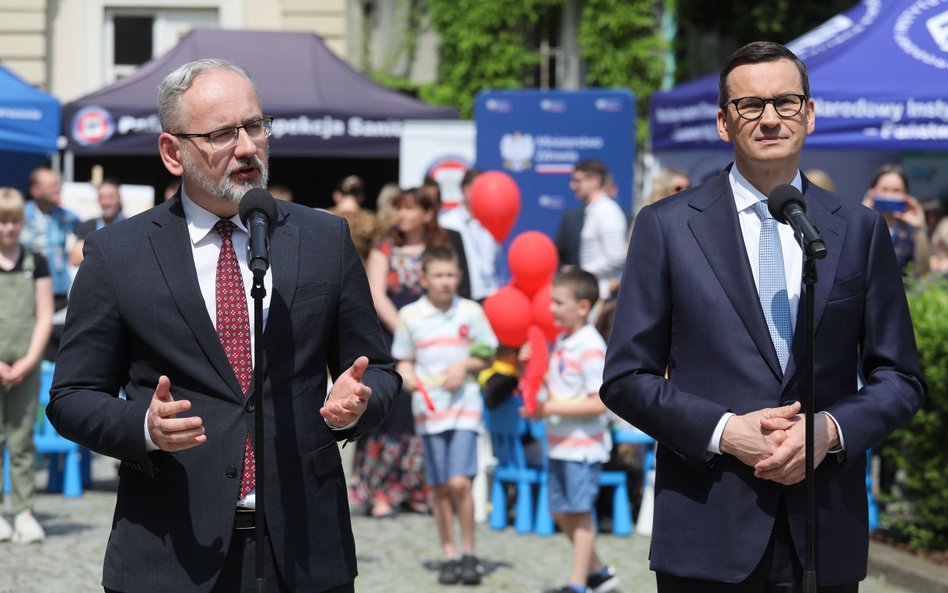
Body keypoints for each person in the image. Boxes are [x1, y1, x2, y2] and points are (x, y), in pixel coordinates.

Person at [46, 58, 400, 593]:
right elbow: (72, 394)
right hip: (169, 552)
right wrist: (144, 427)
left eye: (255, 126)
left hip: (304, 550)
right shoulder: (117, 254)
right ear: (172, 151)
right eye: (221, 134)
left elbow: (380, 372)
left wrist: (361, 400)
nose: (247, 147)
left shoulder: (325, 239)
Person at [602, 41, 925, 592]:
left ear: (810, 113)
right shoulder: (667, 226)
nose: (770, 118)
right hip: (709, 529)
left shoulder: (861, 229)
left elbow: (900, 378)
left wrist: (831, 429)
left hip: (822, 534)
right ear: (725, 123)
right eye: (750, 105)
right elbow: (626, 378)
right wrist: (726, 432)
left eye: (786, 102)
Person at [391, 245, 497, 586]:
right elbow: (404, 359)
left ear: (460, 277)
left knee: (459, 483)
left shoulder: (471, 312)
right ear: (423, 278)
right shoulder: (410, 316)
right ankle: (449, 553)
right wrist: (406, 376)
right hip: (429, 409)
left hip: (465, 405)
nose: (445, 282)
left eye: (451, 275)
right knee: (438, 487)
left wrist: (465, 363)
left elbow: (487, 355)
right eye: (438, 275)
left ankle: (469, 550)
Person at [350, 186, 454, 519]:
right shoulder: (385, 247)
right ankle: (379, 490)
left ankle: (415, 489)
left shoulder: (440, 247)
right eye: (400, 209)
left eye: (410, 209)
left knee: (419, 412)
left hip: (432, 338)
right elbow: (377, 296)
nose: (403, 216)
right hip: (393, 336)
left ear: (427, 213)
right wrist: (408, 331)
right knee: (388, 410)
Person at [524, 267, 618, 593]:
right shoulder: (563, 341)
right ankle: (599, 572)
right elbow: (558, 386)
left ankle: (578, 583)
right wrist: (532, 362)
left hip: (583, 445)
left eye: (558, 302)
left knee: (579, 513)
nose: (550, 308)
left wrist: (548, 408)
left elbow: (598, 402)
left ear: (582, 306)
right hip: (560, 443)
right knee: (561, 512)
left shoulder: (590, 345)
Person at [0, 187, 54, 544]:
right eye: (2, 221)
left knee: (22, 441)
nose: (8, 228)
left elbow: (44, 315)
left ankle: (23, 511)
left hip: (26, 365)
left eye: (14, 221)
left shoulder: (37, 262)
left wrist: (28, 360)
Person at [21, 166, 79, 360]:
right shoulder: (19, 217)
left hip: (61, 296)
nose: (58, 189)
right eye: (52, 186)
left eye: (58, 185)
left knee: (58, 357)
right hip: (28, 296)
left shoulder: (69, 217)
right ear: (35, 190)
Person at [569, 160, 628, 299]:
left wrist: (581, 271)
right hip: (595, 294)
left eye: (578, 180)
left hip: (605, 296)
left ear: (595, 181)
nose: (572, 185)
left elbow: (617, 257)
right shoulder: (597, 209)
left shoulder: (607, 210)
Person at [439, 168, 500, 302]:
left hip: (491, 294)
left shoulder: (493, 222)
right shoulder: (447, 222)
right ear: (466, 191)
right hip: (462, 296)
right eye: (481, 189)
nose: (486, 194)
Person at [862, 164, 931, 277]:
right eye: (884, 190)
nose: (889, 195)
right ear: (872, 192)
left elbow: (923, 271)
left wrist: (919, 229)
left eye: (896, 191)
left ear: (906, 194)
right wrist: (863, 214)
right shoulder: (862, 224)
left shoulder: (910, 229)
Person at [69, 177, 125, 267]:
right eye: (102, 197)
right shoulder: (88, 225)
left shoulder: (128, 225)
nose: (106, 202)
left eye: (110, 197)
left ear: (119, 199)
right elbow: (75, 258)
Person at [329, 175, 380, 265]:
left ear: (337, 195)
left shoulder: (326, 215)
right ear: (361, 196)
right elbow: (376, 249)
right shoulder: (371, 219)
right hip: (361, 271)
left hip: (331, 270)